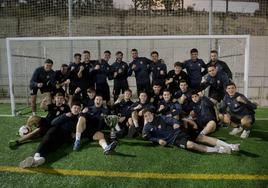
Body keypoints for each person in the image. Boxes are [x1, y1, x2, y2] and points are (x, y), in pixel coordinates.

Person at [142, 109, 240, 154]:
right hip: (175, 140)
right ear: (144, 118)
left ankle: (230, 146)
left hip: (180, 132)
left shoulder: (161, 118)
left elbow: (172, 120)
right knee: (192, 145)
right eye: (145, 116)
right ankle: (220, 150)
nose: (148, 116)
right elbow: (147, 137)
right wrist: (157, 140)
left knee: (202, 138)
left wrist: (175, 123)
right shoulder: (147, 127)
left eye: (149, 114)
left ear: (152, 114)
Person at [19, 102, 82, 168]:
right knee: (48, 138)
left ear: (80, 109)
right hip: (56, 130)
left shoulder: (80, 118)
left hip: (64, 135)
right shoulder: (66, 114)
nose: (76, 109)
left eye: (78, 108)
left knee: (52, 146)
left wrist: (73, 134)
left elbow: (79, 130)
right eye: (75, 108)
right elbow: (53, 122)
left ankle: (37, 158)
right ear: (71, 109)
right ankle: (37, 156)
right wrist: (64, 116)